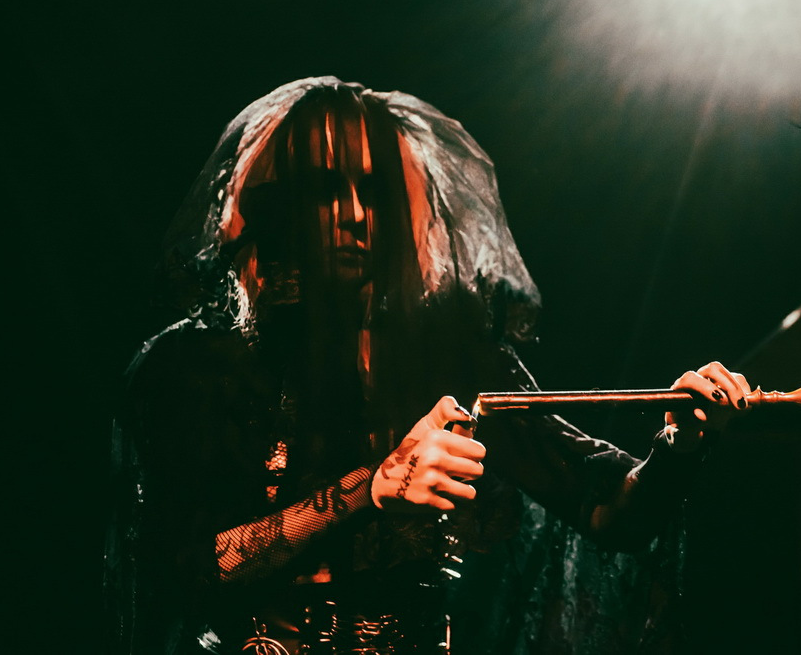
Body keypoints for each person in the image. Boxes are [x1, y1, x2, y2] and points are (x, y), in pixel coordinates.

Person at [104, 76, 750, 654]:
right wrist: (371, 487)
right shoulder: (197, 366)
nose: (356, 216)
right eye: (326, 190)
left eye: (375, 191)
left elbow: (609, 512)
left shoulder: (448, 359)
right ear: (277, 206)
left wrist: (679, 445)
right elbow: (182, 569)